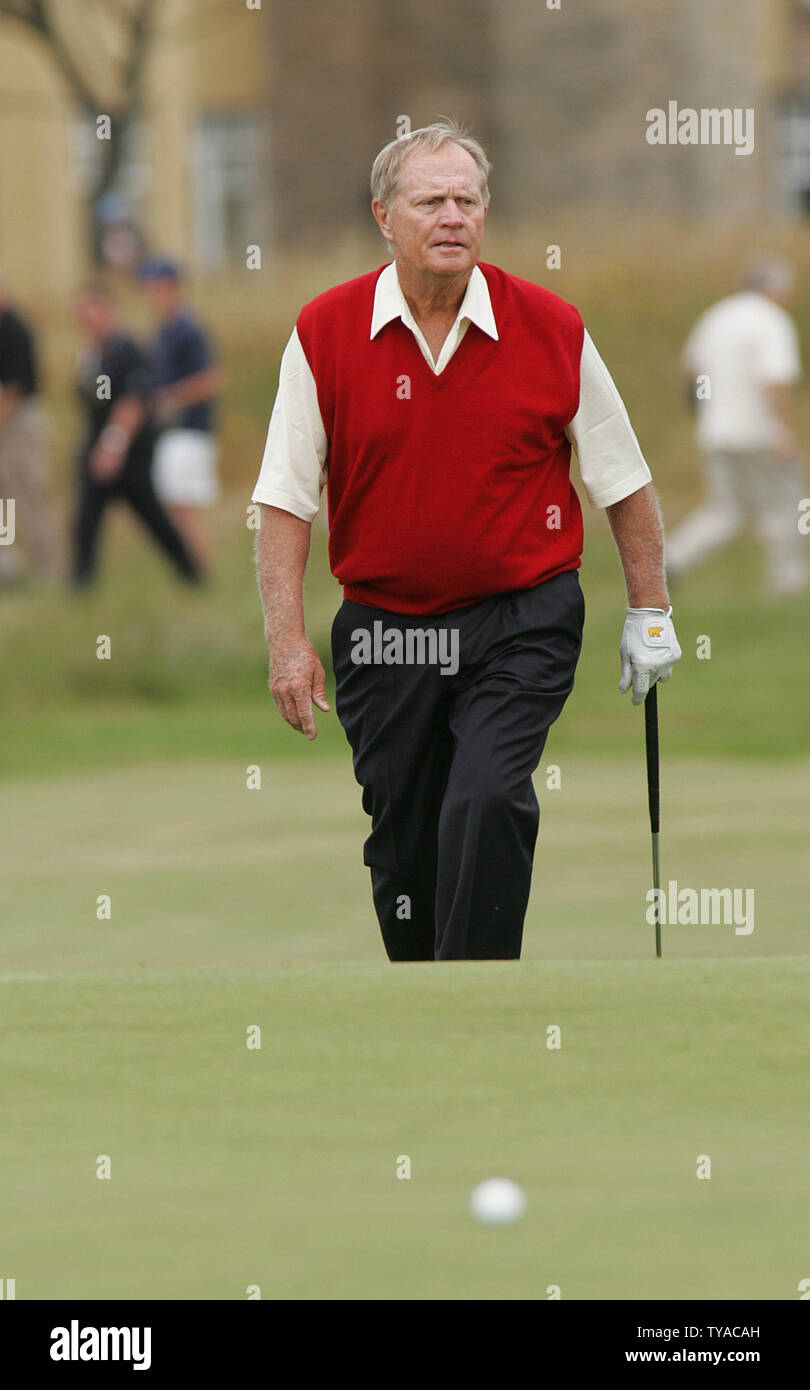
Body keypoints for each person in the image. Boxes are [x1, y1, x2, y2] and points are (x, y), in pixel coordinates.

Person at [252, 120, 681, 962]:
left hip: (523, 617)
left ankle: (477, 998)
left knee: (486, 798)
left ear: (485, 212)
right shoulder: (325, 331)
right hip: (384, 626)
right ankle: (426, 1004)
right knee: (405, 844)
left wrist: (651, 610)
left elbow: (622, 480)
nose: (451, 216)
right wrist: (287, 640)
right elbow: (284, 501)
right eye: (429, 201)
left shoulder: (552, 326)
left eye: (467, 200)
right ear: (384, 214)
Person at [667, 255, 806, 597]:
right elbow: (773, 380)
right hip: (759, 432)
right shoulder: (771, 320)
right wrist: (783, 430)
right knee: (789, 503)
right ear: (774, 288)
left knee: (726, 508)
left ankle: (669, 561)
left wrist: (704, 417)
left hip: (716, 432)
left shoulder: (718, 315)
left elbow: (691, 371)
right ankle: (787, 585)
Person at [72, 281, 202, 588]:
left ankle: (192, 575)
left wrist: (113, 446)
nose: (85, 320)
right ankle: (81, 585)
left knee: (153, 517)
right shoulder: (91, 354)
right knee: (86, 519)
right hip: (98, 448)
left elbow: (133, 401)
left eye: (91, 311)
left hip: (127, 453)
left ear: (107, 309)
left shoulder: (124, 348)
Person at [138, 258, 222, 574]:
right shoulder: (163, 330)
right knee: (175, 505)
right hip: (173, 432)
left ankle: (199, 570)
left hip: (190, 429)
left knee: (185, 507)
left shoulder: (188, 329)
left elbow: (211, 379)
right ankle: (192, 571)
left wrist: (170, 399)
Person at [0, 271, 60, 584]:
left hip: (19, 422)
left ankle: (48, 568)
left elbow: (14, 391)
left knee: (28, 494)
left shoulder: (14, 328)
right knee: (4, 499)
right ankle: (7, 564)